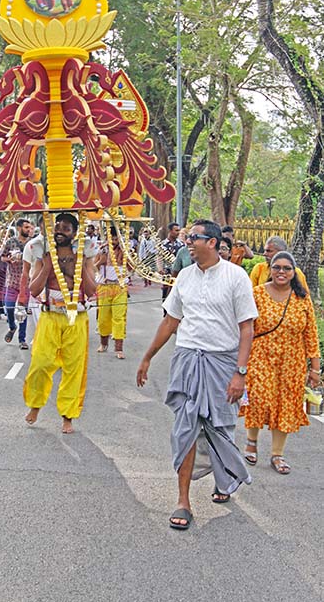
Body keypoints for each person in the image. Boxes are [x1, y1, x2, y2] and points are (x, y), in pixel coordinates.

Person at [136, 219, 257, 531]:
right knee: (186, 428)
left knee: (221, 426)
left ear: (213, 242)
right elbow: (170, 321)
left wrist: (240, 373)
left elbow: (247, 327)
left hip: (223, 362)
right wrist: (148, 357)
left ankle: (224, 477)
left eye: (194, 238)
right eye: (188, 237)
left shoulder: (236, 276)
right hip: (188, 359)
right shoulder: (185, 277)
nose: (188, 242)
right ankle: (183, 500)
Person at [241, 251, 321, 474]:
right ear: (270, 270)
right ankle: (251, 442)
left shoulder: (302, 299)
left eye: (287, 268)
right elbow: (245, 329)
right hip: (260, 358)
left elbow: (311, 335)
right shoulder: (256, 294)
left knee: (285, 406)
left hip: (292, 363)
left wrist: (314, 368)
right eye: (277, 267)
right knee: (257, 400)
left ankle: (277, 454)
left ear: (294, 272)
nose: (281, 272)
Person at [23, 213, 96, 433]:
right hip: (50, 315)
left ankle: (68, 416)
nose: (59, 232)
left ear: (74, 233)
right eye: (57, 227)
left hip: (77, 317)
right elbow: (34, 290)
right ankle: (35, 405)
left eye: (65, 228)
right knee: (41, 362)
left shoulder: (83, 254)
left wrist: (82, 266)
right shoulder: (43, 252)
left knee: (74, 368)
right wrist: (46, 266)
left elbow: (92, 290)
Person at [95, 227, 128, 359]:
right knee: (103, 318)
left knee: (119, 318)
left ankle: (119, 349)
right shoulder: (102, 249)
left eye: (116, 239)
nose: (114, 241)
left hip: (120, 287)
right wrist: (101, 261)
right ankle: (104, 344)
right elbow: (93, 266)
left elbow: (132, 268)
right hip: (104, 287)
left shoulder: (125, 250)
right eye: (112, 238)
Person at [1, 218, 32, 349]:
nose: (29, 230)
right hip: (12, 281)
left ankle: (22, 339)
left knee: (22, 311)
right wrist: (9, 260)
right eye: (26, 227)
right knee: (9, 308)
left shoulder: (32, 244)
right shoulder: (10, 242)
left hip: (26, 282)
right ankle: (12, 327)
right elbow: (2, 257)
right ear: (19, 228)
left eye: (29, 227)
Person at [159, 222, 184, 300]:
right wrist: (160, 268)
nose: (178, 232)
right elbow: (159, 257)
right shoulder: (162, 244)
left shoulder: (181, 245)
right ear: (170, 231)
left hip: (178, 274)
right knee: (166, 295)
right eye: (176, 230)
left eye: (179, 230)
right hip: (167, 274)